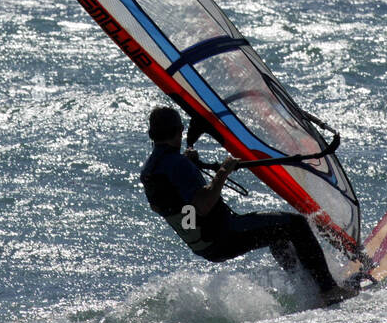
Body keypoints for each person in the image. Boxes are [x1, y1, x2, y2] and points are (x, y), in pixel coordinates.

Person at [139, 106, 357, 306]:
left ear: (152, 135)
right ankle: (328, 290)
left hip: (204, 245)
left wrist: (190, 166)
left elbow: (164, 205)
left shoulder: (150, 170)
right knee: (296, 223)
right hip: (224, 234)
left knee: (278, 234)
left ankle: (310, 288)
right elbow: (203, 206)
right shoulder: (177, 165)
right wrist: (223, 172)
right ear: (179, 131)